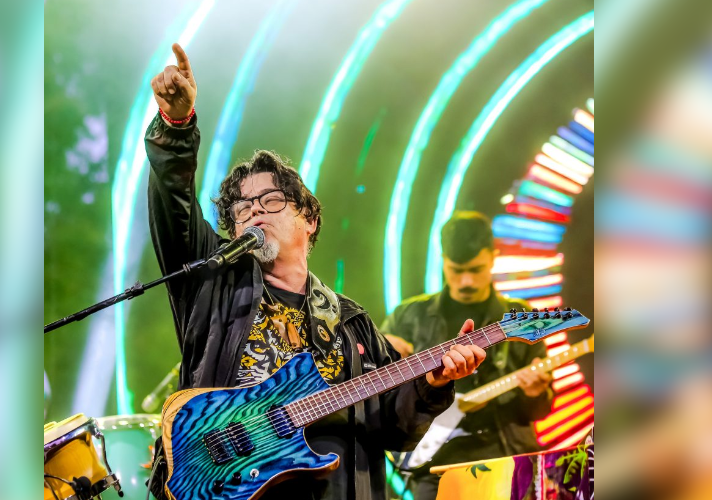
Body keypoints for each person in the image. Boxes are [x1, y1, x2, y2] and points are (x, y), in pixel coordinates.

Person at [143, 43, 486, 500]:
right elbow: (174, 205)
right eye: (242, 209)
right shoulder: (214, 282)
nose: (254, 212)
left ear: (309, 219)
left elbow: (395, 428)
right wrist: (177, 125)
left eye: (270, 200)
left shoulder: (351, 323)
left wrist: (433, 383)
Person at [382, 211, 554, 500]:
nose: (465, 281)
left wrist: (536, 393)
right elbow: (383, 401)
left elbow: (539, 411)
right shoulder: (408, 316)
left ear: (493, 257)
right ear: (443, 260)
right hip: (432, 466)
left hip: (505, 459)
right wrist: (385, 359)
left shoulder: (521, 318)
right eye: (456, 270)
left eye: (475, 269)